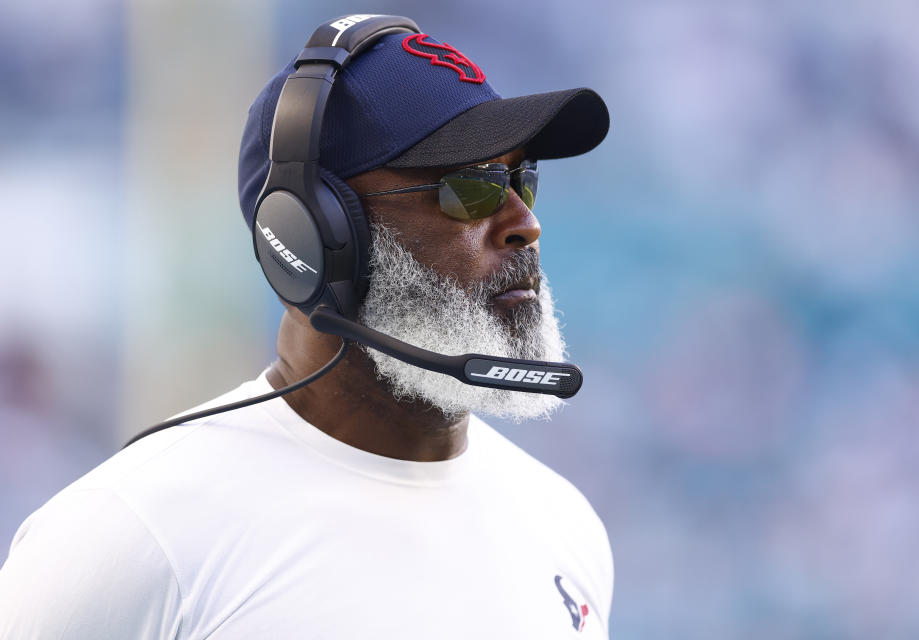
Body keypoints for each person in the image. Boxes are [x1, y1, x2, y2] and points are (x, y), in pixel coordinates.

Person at [0, 16, 613, 639]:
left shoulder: (564, 523)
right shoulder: (130, 540)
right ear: (317, 236)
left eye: (521, 180)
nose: (523, 223)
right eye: (471, 187)